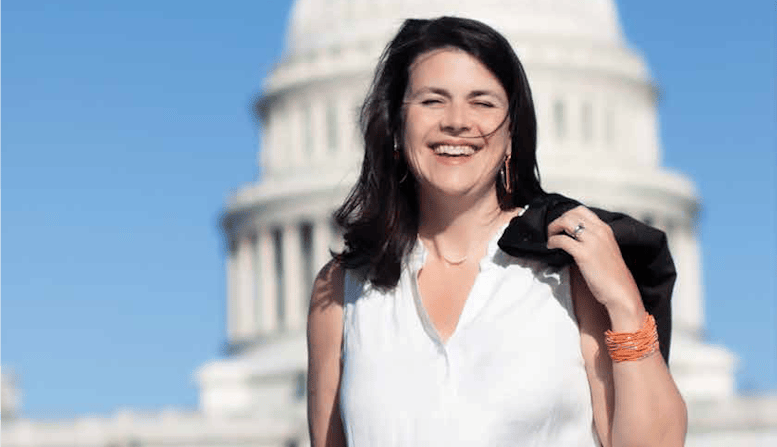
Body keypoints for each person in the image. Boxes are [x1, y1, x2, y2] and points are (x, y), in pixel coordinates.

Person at [307, 16, 687, 447]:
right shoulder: (340, 290)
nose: (457, 121)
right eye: (433, 101)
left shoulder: (567, 267)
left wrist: (624, 302)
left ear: (512, 134)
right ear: (395, 125)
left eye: (482, 103)